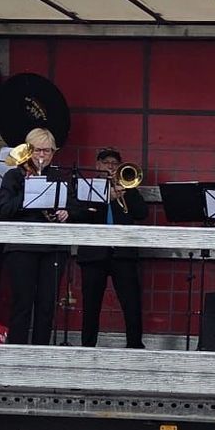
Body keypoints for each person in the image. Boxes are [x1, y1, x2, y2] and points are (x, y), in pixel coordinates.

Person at [0, 127, 70, 345]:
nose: (42, 156)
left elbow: (76, 206)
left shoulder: (59, 177)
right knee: (22, 304)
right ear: (28, 151)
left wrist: (67, 212)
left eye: (47, 151)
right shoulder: (13, 176)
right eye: (37, 150)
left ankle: (41, 353)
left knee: (47, 305)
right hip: (22, 247)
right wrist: (29, 191)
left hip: (53, 249)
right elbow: (5, 209)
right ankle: (17, 353)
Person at [75, 146, 145, 349]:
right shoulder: (88, 188)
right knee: (91, 305)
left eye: (115, 164)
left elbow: (142, 213)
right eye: (106, 163)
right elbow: (80, 214)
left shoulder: (127, 187)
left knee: (131, 303)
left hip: (123, 254)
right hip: (93, 254)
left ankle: (135, 346)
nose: (111, 167)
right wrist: (107, 197)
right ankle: (88, 347)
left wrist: (127, 191)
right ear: (97, 165)